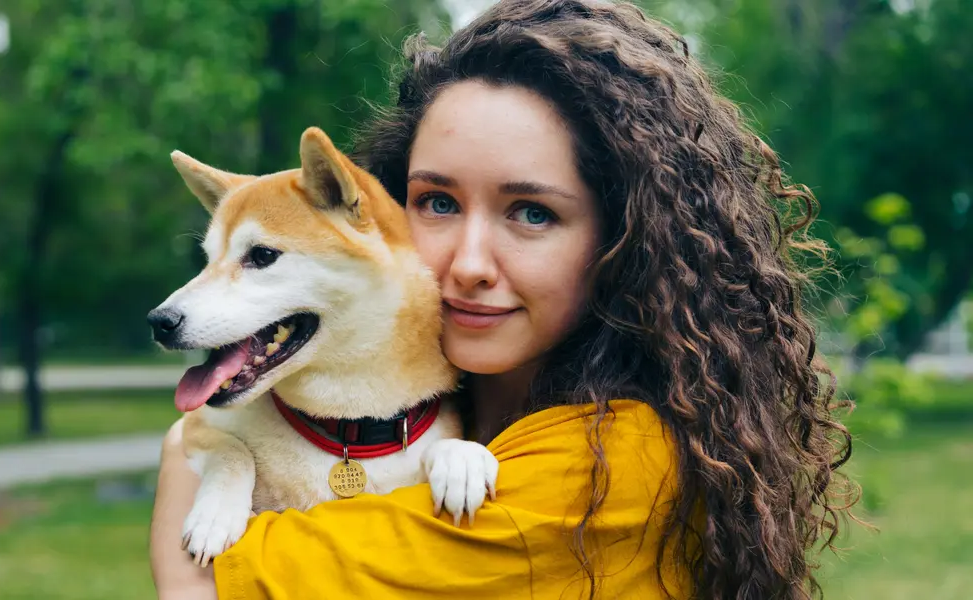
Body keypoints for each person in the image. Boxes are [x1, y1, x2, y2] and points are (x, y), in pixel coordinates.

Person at [149, 1, 858, 598]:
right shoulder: (456, 407)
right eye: (436, 201)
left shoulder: (613, 462)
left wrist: (190, 461)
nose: (468, 264)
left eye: (532, 213)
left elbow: (207, 583)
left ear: (627, 241)